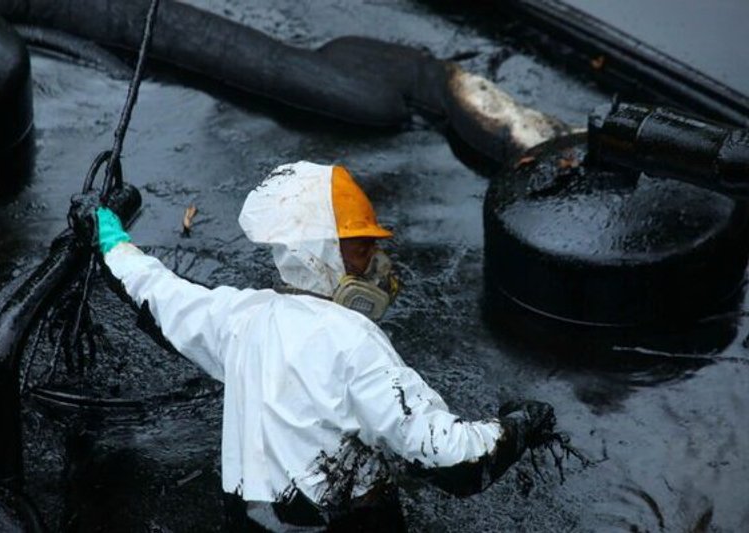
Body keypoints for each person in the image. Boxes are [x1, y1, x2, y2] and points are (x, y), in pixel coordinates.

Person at [71, 161, 555, 531]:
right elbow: (450, 459)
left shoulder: (242, 319)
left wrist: (109, 239)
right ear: (319, 250)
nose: (376, 263)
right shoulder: (354, 342)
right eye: (361, 246)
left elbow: (160, 296)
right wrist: (518, 426)